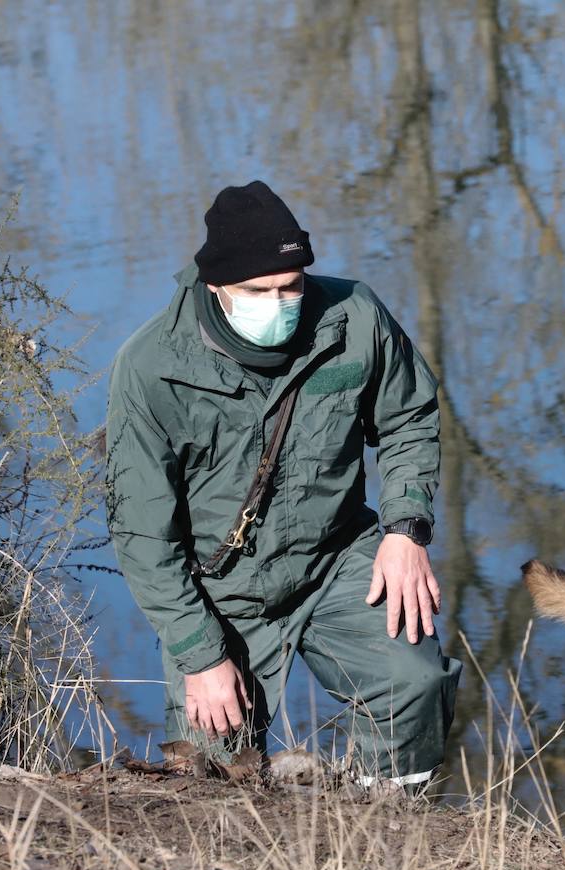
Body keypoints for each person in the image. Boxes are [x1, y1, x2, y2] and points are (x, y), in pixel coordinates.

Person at [105, 180, 461, 787]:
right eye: (257, 290)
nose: (279, 301)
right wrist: (201, 655)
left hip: (336, 558)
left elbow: (408, 417)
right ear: (216, 286)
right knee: (212, 768)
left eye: (291, 286)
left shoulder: (354, 317)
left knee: (415, 685)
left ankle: (390, 833)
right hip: (221, 589)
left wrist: (405, 529)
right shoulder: (151, 367)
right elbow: (143, 536)